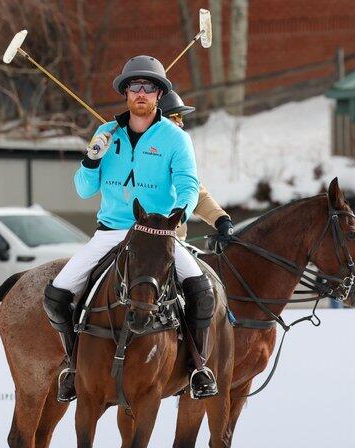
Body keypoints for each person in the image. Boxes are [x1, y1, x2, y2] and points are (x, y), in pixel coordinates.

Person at [43, 55, 218, 403]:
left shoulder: (176, 138)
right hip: (111, 231)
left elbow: (188, 184)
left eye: (149, 87)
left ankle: (197, 367)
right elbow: (83, 189)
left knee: (202, 291)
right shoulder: (106, 134)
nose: (141, 92)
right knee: (56, 295)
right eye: (134, 86)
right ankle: (74, 367)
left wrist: (178, 215)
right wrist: (91, 159)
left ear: (159, 94)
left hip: (158, 234)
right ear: (125, 93)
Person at [158, 89, 236, 249]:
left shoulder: (175, 153)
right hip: (143, 246)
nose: (181, 123)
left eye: (181, 117)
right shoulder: (138, 157)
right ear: (159, 120)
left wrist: (221, 220)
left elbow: (194, 192)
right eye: (176, 117)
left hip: (176, 244)